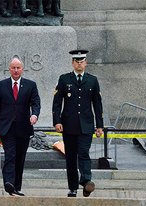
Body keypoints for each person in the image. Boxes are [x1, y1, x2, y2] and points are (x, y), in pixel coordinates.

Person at [52, 50, 103, 197]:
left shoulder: (92, 80)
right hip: (69, 125)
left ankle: (87, 182)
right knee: (71, 158)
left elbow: (97, 104)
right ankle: (73, 188)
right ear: (73, 63)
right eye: (77, 61)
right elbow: (57, 103)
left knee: (84, 153)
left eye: (82, 61)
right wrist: (57, 121)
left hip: (86, 125)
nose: (79, 64)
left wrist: (99, 125)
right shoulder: (64, 79)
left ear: (85, 62)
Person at [0, 58, 41, 196]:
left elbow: (36, 103)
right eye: (13, 67)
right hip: (6, 128)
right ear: (9, 69)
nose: (16, 70)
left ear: (22, 69)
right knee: (10, 155)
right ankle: (8, 183)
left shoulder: (30, 85)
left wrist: (35, 115)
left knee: (20, 158)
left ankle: (17, 187)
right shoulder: (1, 85)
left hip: (23, 127)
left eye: (18, 67)